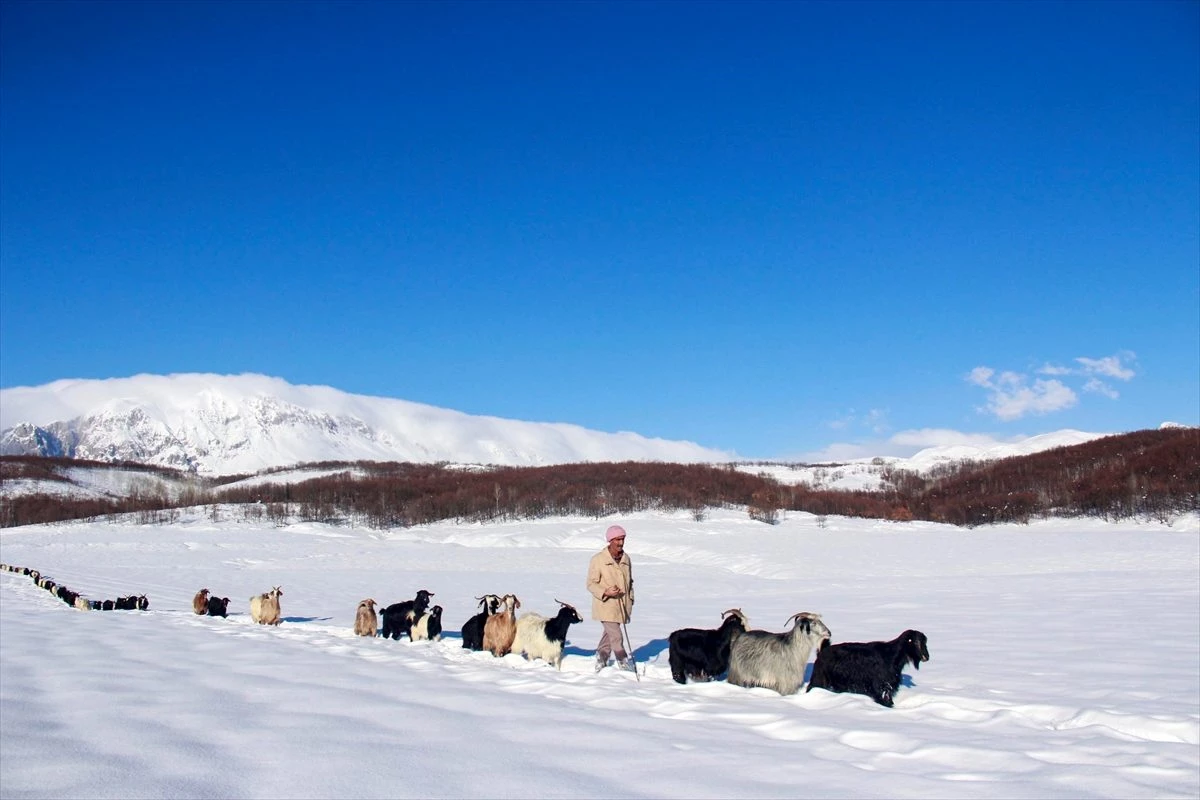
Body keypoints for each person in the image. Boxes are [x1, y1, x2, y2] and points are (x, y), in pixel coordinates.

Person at [586, 523, 635, 672]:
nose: (620, 543)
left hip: (622, 605)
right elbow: (590, 584)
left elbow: (630, 582)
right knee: (616, 635)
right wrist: (606, 591)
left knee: (609, 633)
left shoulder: (626, 559)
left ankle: (602, 656)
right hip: (605, 605)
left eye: (623, 539)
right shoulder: (598, 560)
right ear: (610, 540)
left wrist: (631, 598)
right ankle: (623, 660)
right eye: (617, 540)